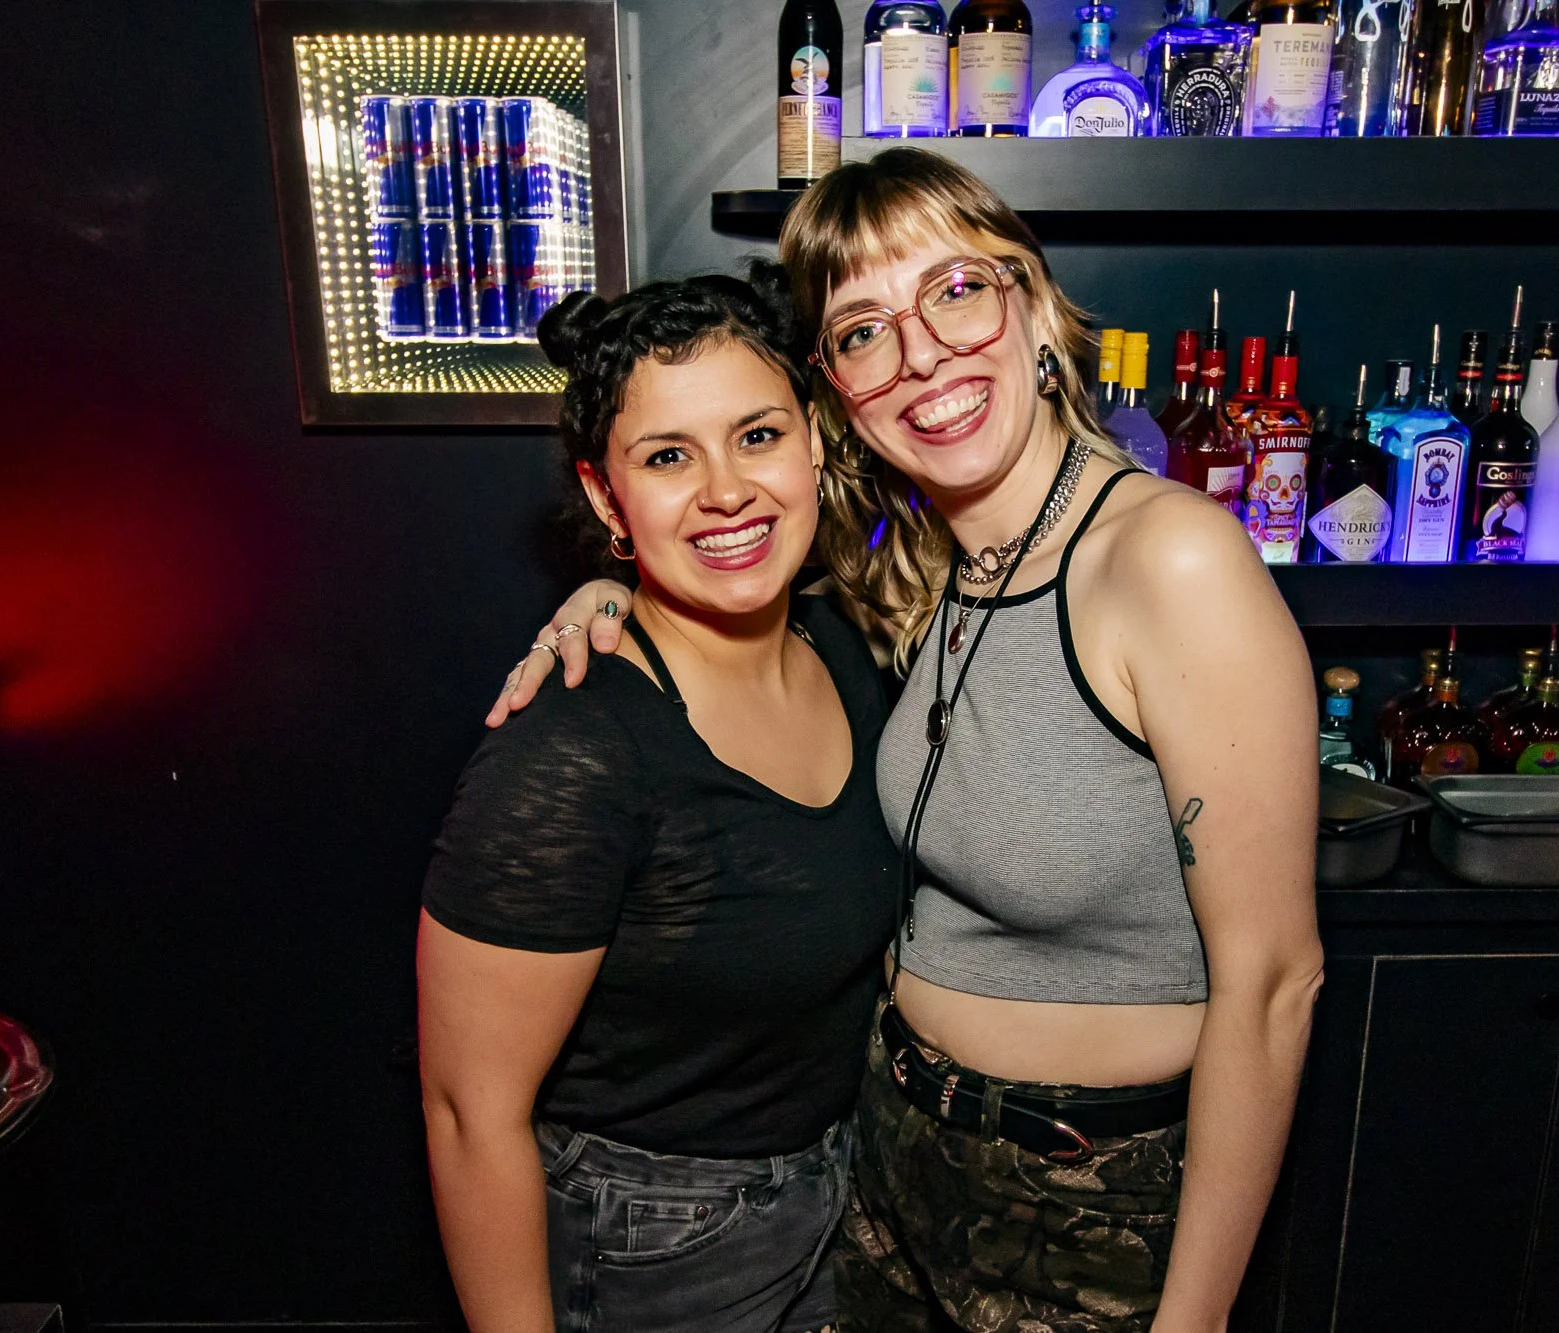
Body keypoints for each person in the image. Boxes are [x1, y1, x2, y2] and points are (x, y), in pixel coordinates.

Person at [493, 147, 1324, 1332]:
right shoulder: (925, 567)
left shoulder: (1170, 559)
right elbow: (727, 553)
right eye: (863, 330)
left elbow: (1274, 983)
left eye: (955, 291)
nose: (920, 354)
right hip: (887, 1164)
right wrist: (612, 593)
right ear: (837, 388)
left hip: (1082, 1195)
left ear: (1032, 304)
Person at [417, 272, 897, 1333]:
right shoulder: (572, 752)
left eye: (758, 435)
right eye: (668, 457)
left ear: (814, 441)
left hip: (847, 1194)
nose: (726, 490)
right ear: (606, 497)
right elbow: (466, 1112)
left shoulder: (847, 645)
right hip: (654, 1243)